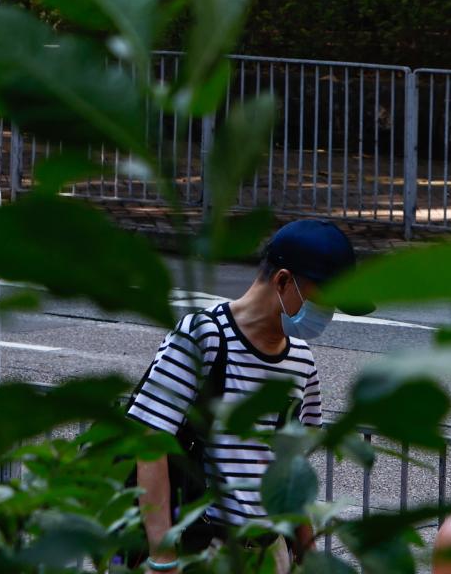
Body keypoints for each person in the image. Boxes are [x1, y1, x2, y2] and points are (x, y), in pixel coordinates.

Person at [129, 220, 363, 572]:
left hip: (270, 552)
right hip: (204, 549)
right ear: (283, 281)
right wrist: (162, 557)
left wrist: (306, 550)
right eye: (323, 299)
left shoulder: (301, 361)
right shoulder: (202, 336)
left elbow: (291, 467)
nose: (327, 314)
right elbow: (151, 441)